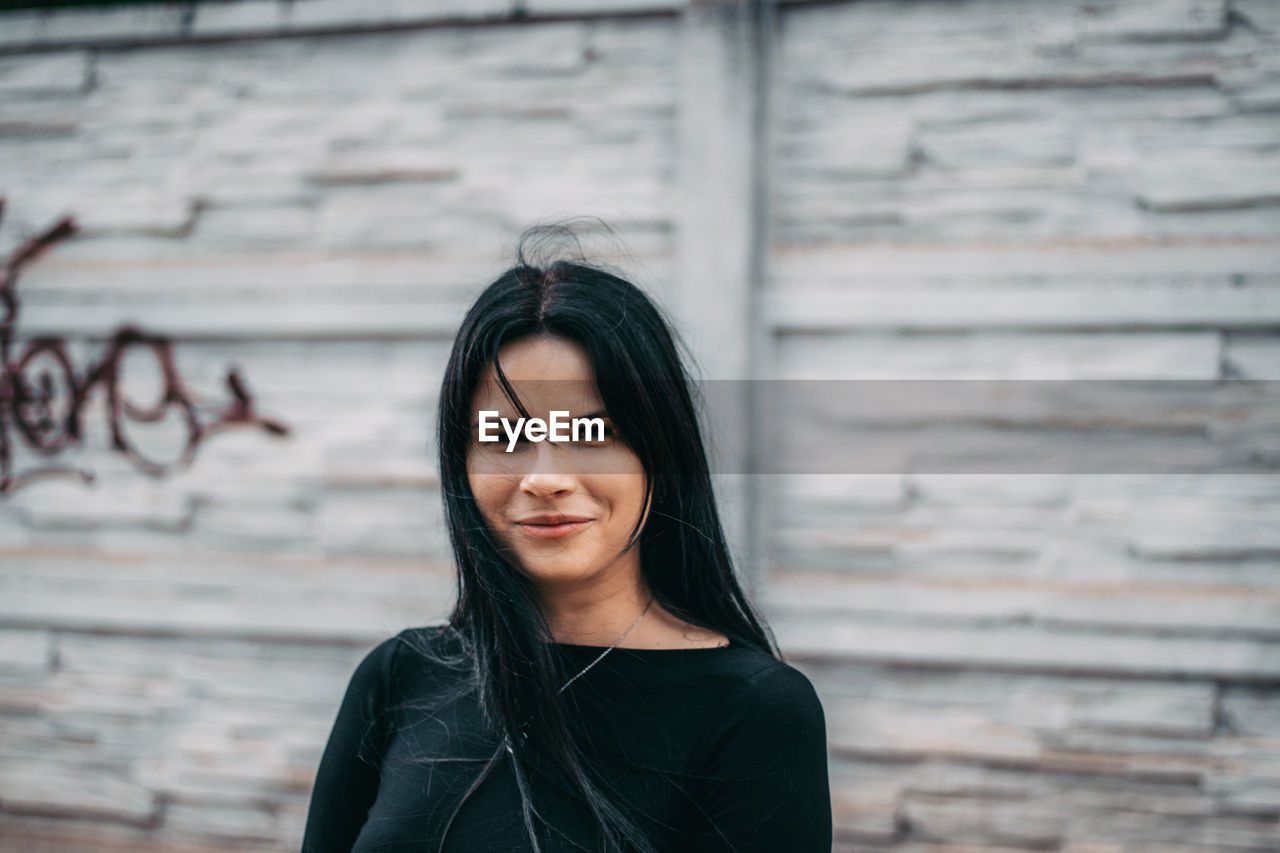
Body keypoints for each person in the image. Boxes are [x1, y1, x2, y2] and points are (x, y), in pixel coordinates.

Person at [301, 229, 832, 852]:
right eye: (505, 436)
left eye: (591, 431)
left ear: (658, 450)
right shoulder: (400, 676)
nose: (545, 477)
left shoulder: (753, 710)